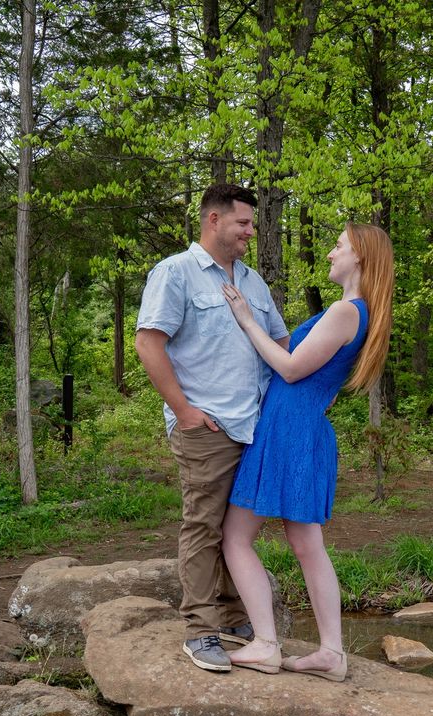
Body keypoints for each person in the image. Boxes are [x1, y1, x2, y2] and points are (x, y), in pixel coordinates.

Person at [217, 222, 394, 682]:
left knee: (236, 537)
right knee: (307, 545)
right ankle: (331, 654)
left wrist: (247, 320)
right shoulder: (360, 314)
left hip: (288, 433)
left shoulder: (346, 311)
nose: (332, 253)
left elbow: (293, 369)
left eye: (339, 246)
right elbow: (324, 384)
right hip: (304, 430)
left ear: (361, 257)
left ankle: (265, 645)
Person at [134, 184, 289, 672]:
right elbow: (148, 343)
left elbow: (280, 342)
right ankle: (201, 630)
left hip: (254, 427)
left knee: (237, 530)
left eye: (252, 224)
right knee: (203, 525)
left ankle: (233, 616)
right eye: (243, 223)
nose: (250, 231)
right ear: (214, 220)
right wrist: (184, 411)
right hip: (207, 425)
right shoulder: (175, 273)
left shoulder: (253, 282)